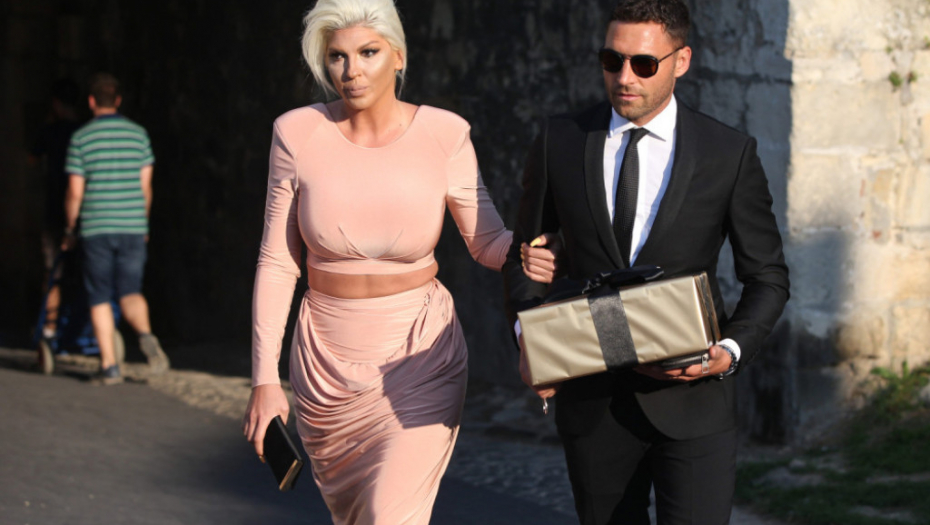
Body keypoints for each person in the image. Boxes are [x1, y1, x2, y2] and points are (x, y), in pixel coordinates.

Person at [240, 1, 559, 523]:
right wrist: (264, 380)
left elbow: (486, 241)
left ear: (398, 56)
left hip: (421, 356)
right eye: (337, 57)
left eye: (368, 52)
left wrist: (534, 254)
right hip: (325, 368)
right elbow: (277, 261)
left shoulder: (445, 133)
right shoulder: (296, 133)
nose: (351, 70)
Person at [504, 1, 790, 523]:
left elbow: (767, 277)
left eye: (643, 63)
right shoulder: (560, 140)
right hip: (592, 403)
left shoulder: (728, 152)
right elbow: (525, 255)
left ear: (681, 61)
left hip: (694, 399)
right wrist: (529, 340)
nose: (624, 77)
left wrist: (728, 352)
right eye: (611, 60)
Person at [63, 72, 170, 385]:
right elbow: (146, 187)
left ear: (91, 101)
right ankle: (146, 335)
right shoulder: (138, 135)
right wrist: (143, 222)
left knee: (99, 296)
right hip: (132, 224)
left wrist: (70, 228)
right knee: (130, 291)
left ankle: (110, 366)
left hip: (97, 226)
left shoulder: (81, 138)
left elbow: (75, 192)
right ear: (119, 100)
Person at [29, 78, 83, 341]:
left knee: (53, 272)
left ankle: (49, 328)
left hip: (56, 208)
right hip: (85, 211)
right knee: (84, 271)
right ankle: (85, 324)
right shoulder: (84, 132)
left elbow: (32, 159)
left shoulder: (49, 132)